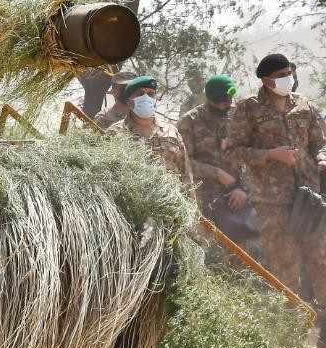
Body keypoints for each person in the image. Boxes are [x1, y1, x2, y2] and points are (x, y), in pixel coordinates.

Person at [225, 52, 326, 323]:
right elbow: (232, 152)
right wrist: (271, 154)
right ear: (267, 80)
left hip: (309, 199)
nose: (288, 79)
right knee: (286, 267)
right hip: (272, 202)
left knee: (322, 262)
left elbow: (319, 141)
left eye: (289, 73)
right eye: (281, 76)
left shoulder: (302, 104)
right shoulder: (248, 109)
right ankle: (292, 335)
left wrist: (321, 157)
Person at [177, 74, 257, 244]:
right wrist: (216, 173)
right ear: (208, 99)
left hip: (238, 200)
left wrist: (243, 188)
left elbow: (254, 154)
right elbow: (184, 162)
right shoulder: (190, 121)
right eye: (218, 103)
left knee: (240, 257)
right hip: (204, 203)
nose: (223, 106)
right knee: (208, 256)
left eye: (227, 101)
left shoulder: (240, 117)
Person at [109, 75, 195, 200]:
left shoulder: (170, 131)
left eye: (150, 94)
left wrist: (193, 210)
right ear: (128, 101)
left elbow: (186, 173)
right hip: (132, 206)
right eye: (140, 93)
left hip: (170, 206)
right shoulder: (115, 133)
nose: (146, 97)